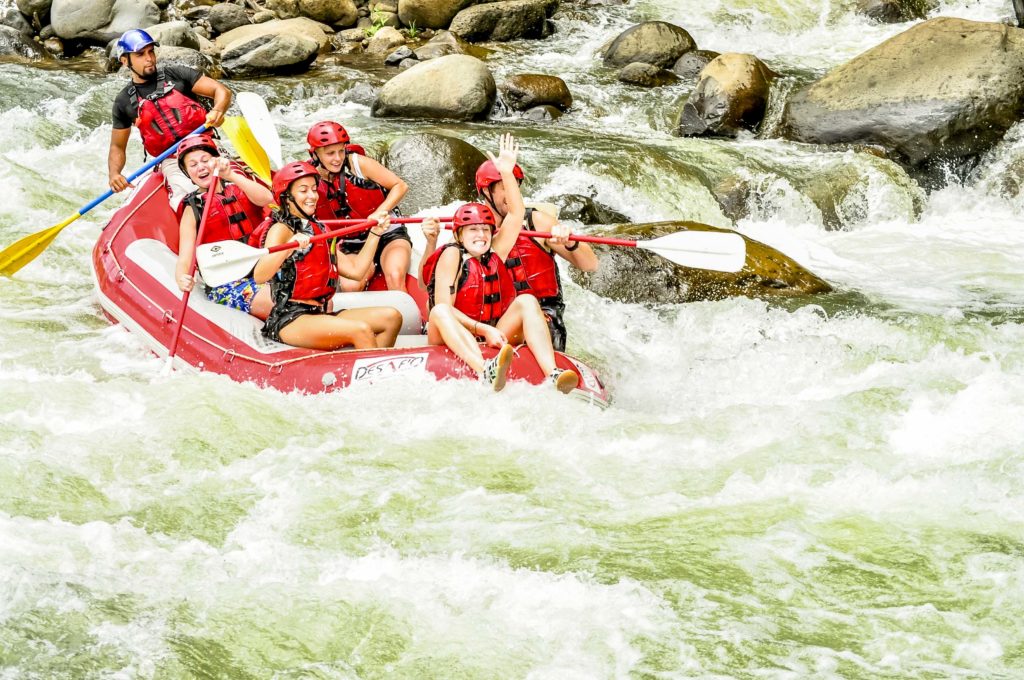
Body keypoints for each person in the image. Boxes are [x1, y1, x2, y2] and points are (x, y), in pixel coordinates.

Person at [420, 135, 579, 394]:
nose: (480, 235)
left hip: (489, 329)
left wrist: (506, 172)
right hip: (454, 332)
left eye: (484, 229)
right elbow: (442, 308)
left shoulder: (495, 250)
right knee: (439, 312)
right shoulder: (452, 255)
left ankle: (552, 373)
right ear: (459, 234)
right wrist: (482, 329)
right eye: (472, 230)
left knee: (528, 300)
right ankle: (485, 370)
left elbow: (516, 213)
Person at [254, 161, 402, 350]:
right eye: (303, 190)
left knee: (392, 317)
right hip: (290, 317)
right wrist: (287, 249)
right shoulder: (281, 229)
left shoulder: (321, 229)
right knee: (361, 330)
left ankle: (365, 364)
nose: (312, 196)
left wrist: (375, 232)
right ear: (287, 197)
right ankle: (372, 372)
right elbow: (260, 275)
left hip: (319, 313)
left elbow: (356, 271)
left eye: (314, 189)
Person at [474, 158, 599, 352]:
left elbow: (590, 265)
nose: (513, 193)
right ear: (485, 191)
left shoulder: (537, 222)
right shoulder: (474, 231)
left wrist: (571, 242)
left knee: (526, 310)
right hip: (498, 320)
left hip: (543, 318)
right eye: (505, 187)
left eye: (516, 186)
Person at [108, 28, 232, 211]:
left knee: (231, 185)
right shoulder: (124, 101)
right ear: (125, 61)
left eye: (151, 52)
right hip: (172, 158)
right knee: (190, 200)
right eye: (141, 54)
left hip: (204, 143)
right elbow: (117, 146)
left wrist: (217, 110)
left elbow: (221, 91)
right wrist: (114, 174)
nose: (149, 58)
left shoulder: (177, 75)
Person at [173, 135, 274, 318]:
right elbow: (185, 258)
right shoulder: (193, 208)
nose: (201, 167)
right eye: (193, 165)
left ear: (216, 161)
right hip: (227, 281)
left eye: (205, 160)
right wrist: (182, 277)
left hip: (264, 267)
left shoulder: (238, 186)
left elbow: (266, 199)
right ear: (188, 173)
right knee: (278, 300)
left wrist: (231, 175)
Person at [306, 121, 412, 293]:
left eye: (341, 151)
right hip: (352, 242)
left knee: (395, 274)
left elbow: (400, 186)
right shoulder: (309, 178)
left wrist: (379, 213)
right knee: (350, 285)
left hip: (387, 232)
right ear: (315, 154)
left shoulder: (358, 163)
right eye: (330, 153)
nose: (338, 158)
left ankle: (410, 319)